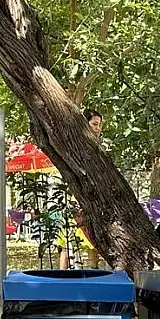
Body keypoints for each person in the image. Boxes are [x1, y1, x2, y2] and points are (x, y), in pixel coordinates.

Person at [59, 108, 105, 269]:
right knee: (68, 243)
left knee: (94, 246)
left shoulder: (97, 148)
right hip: (77, 203)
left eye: (99, 125)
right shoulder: (74, 147)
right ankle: (62, 279)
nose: (97, 128)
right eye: (94, 124)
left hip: (93, 203)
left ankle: (92, 279)